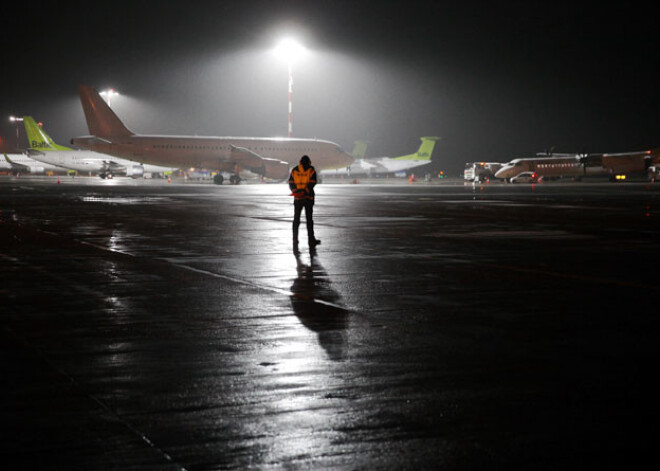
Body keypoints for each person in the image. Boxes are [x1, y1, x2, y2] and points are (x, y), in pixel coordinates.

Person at [289, 155, 321, 252]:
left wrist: (296, 191)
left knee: (296, 219)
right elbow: (313, 182)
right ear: (309, 162)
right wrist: (305, 191)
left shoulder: (294, 170)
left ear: (300, 161)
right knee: (309, 220)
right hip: (308, 198)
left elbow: (291, 182)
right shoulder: (311, 170)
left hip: (297, 198)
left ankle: (295, 240)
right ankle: (311, 240)